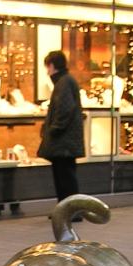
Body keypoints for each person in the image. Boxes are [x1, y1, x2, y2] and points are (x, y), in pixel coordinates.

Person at [37, 50, 85, 202]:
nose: (47, 72)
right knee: (65, 178)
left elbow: (65, 109)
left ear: (52, 66)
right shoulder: (65, 81)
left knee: (65, 179)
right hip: (66, 143)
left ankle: (70, 209)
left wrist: (53, 130)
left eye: (47, 67)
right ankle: (67, 208)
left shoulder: (64, 83)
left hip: (63, 143)